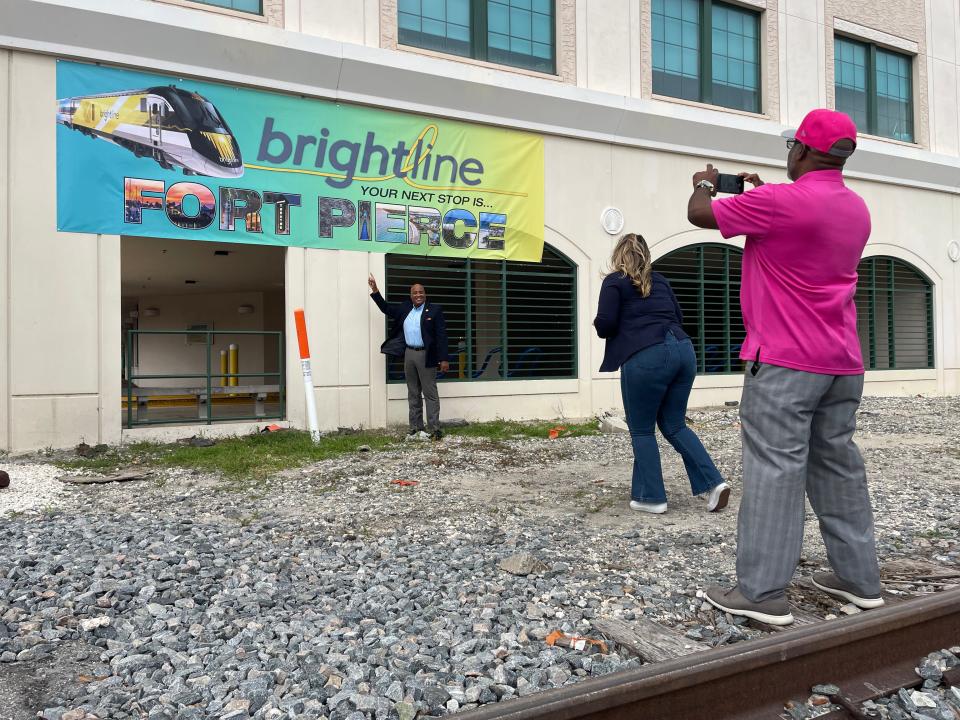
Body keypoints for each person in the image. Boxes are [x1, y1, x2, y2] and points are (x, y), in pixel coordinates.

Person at [687, 109, 882, 626]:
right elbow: (801, 220)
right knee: (838, 466)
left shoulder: (777, 202)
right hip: (842, 362)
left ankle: (762, 592)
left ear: (802, 149)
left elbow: (699, 216)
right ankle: (861, 581)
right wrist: (762, 192)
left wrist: (706, 184)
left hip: (784, 362)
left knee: (775, 469)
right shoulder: (856, 208)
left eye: (791, 146)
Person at [594, 232, 730, 515]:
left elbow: (606, 324)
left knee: (642, 429)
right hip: (683, 350)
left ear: (619, 255)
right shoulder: (662, 280)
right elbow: (678, 317)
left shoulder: (614, 281)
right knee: (675, 424)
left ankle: (651, 498)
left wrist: (602, 322)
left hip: (647, 355)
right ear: (646, 254)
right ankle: (713, 483)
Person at [368, 274, 450, 440]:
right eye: (415, 293)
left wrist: (444, 359)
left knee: (430, 393)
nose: (418, 295)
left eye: (421, 292)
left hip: (426, 355)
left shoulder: (434, 310)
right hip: (409, 354)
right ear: (410, 295)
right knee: (413, 393)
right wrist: (375, 290)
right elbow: (386, 308)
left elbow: (441, 336)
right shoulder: (405, 308)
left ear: (425, 294)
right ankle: (415, 428)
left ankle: (435, 429)